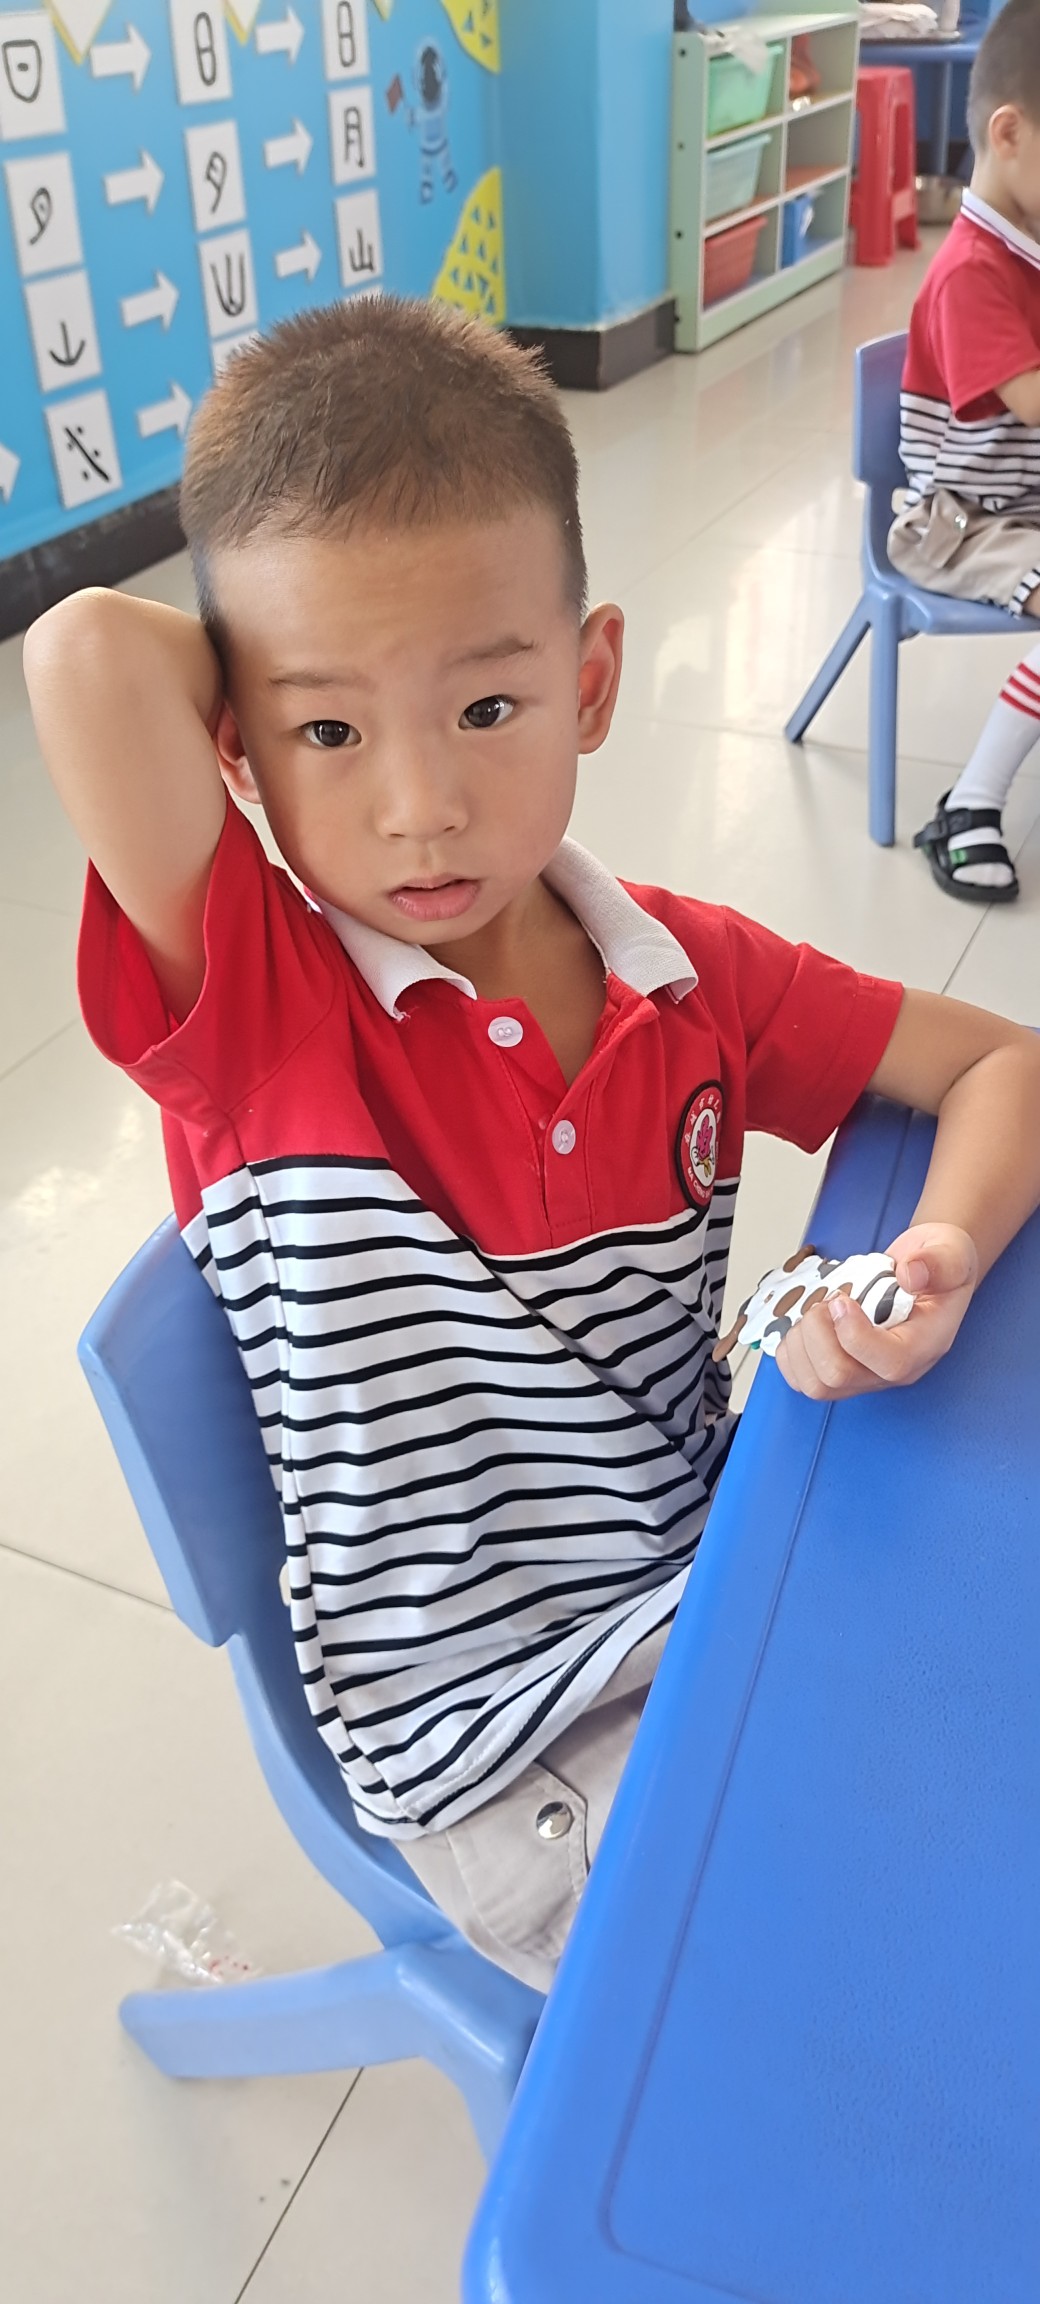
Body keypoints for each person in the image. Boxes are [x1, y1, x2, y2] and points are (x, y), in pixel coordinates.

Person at [25, 297, 1040, 1994]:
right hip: (495, 1726)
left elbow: (1005, 1062)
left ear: (593, 682)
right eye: (331, 733)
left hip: (709, 1570)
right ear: (234, 744)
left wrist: (932, 1253)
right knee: (847, 1996)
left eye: (487, 706)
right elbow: (80, 656)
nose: (418, 803)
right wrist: (273, 680)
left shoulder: (691, 972)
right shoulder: (262, 1008)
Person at [890, 0, 1040, 902]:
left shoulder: (1030, 248)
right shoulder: (974, 272)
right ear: (1010, 134)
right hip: (960, 525)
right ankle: (969, 804)